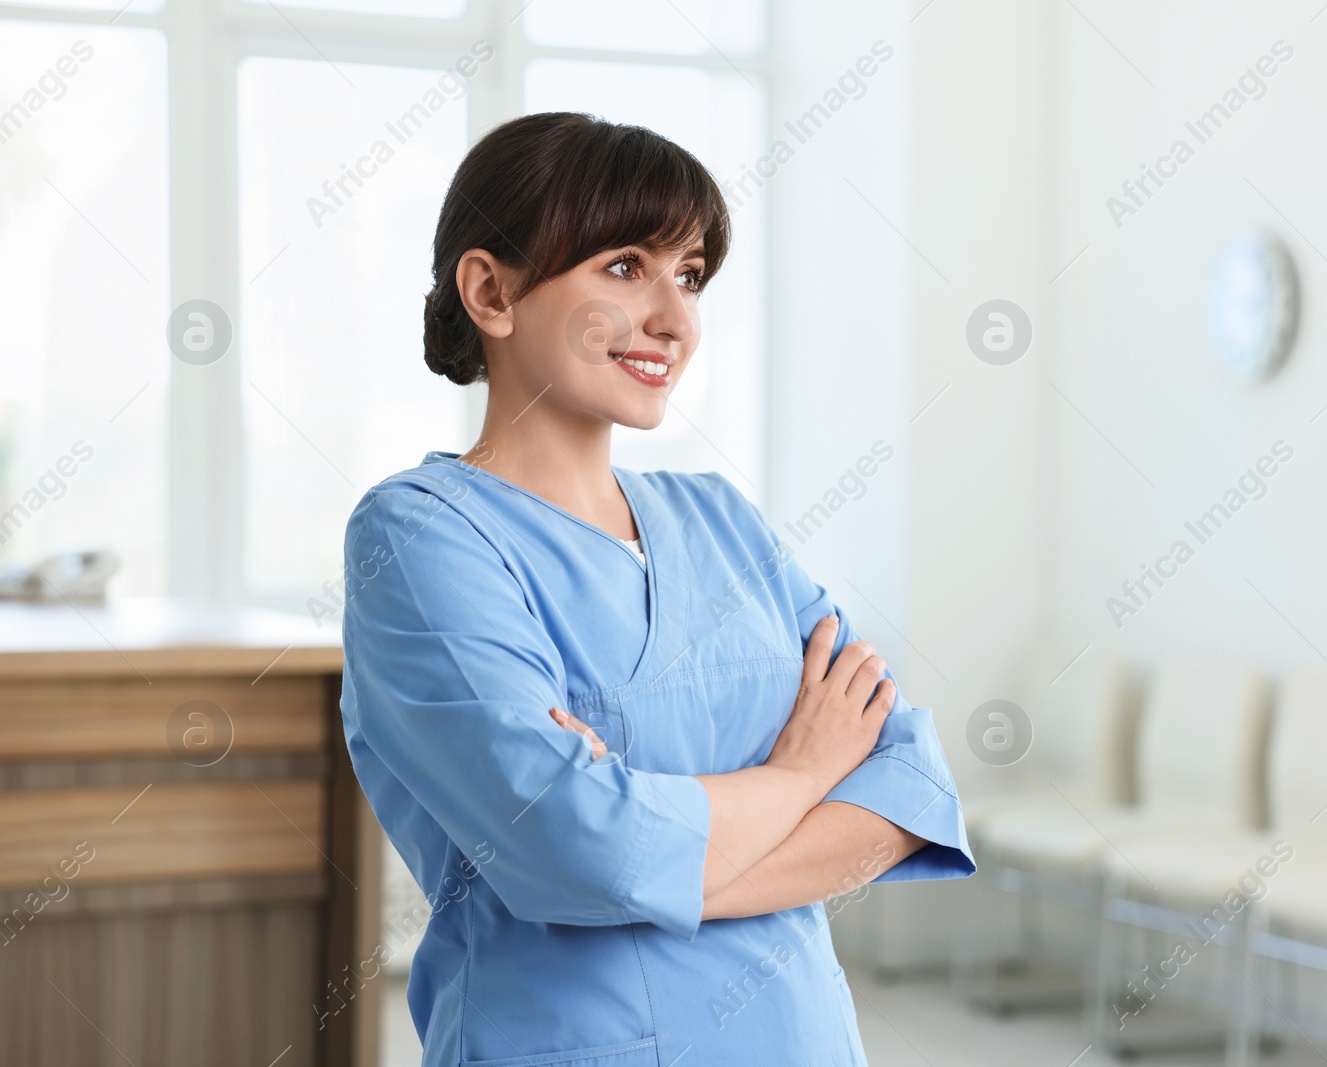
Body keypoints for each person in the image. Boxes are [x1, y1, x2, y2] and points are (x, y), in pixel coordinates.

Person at [339, 111, 974, 1067]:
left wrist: (652, 856)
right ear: (491, 290)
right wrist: (800, 774)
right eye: (626, 267)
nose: (675, 320)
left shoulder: (724, 520)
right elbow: (570, 845)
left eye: (689, 275)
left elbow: (909, 788)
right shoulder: (423, 535)